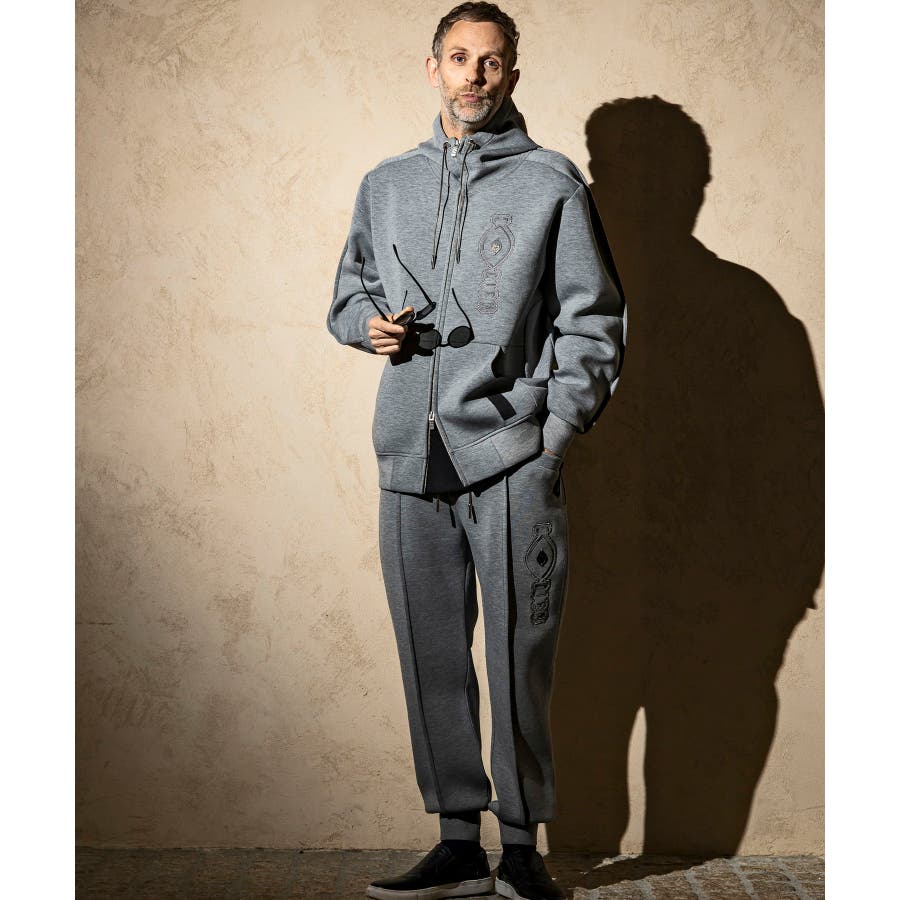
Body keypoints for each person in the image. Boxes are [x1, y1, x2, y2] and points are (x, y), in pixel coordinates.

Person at [326, 3, 626, 898]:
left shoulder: (552, 183)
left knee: (518, 658)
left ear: (512, 77)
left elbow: (593, 323)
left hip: (510, 457)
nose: (474, 76)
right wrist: (367, 326)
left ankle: (522, 849)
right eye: (459, 58)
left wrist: (553, 438)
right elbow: (347, 294)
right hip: (408, 457)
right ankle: (458, 843)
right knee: (430, 659)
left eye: (491, 62)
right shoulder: (386, 183)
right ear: (434, 68)